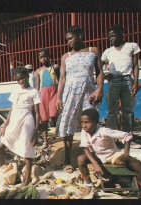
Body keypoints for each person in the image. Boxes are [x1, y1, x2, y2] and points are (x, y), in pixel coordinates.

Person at [56, 26, 104, 173]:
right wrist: (58, 97)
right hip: (70, 94)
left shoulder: (93, 51)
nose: (69, 42)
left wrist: (99, 89)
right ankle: (67, 160)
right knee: (68, 125)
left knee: (90, 124)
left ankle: (93, 157)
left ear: (80, 35)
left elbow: (100, 72)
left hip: (88, 93)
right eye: (67, 40)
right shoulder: (66, 57)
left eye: (71, 38)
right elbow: (62, 78)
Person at [77, 108, 141, 197]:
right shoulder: (84, 131)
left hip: (112, 155)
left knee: (137, 164)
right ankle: (89, 185)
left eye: (87, 122)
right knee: (80, 159)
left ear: (96, 122)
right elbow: (85, 148)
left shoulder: (104, 131)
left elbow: (127, 136)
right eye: (82, 122)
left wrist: (126, 153)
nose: (84, 125)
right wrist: (95, 164)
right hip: (98, 155)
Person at [0, 67, 40, 187]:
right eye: (18, 79)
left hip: (27, 120)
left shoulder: (34, 91)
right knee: (0, 146)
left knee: (27, 149)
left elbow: (37, 112)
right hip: (14, 120)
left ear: (27, 76)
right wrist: (5, 125)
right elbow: (12, 109)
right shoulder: (15, 91)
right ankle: (3, 168)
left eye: (22, 78)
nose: (21, 81)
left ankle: (27, 179)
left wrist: (36, 131)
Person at [102, 25, 141, 136]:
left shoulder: (132, 46)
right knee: (112, 111)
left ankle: (127, 137)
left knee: (127, 111)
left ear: (121, 35)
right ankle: (113, 138)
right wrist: (105, 75)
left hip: (127, 80)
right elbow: (100, 67)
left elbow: (136, 65)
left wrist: (135, 83)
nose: (111, 39)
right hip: (113, 82)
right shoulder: (107, 52)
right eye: (109, 37)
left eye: (113, 36)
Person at [35, 49, 59, 148]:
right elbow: (37, 87)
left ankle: (58, 135)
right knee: (44, 119)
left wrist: (60, 94)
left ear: (49, 57)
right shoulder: (38, 71)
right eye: (41, 57)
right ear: (39, 60)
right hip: (43, 95)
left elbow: (61, 80)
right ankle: (45, 141)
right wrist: (36, 99)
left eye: (45, 56)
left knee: (54, 114)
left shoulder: (55, 67)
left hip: (54, 93)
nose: (43, 59)